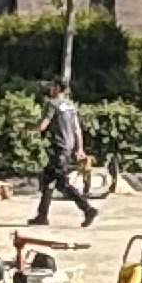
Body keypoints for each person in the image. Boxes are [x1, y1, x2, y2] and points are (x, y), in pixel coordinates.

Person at [31, 77, 97, 228]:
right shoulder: (70, 105)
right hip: (67, 148)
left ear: (57, 88)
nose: (49, 88)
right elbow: (77, 129)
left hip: (58, 148)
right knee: (47, 180)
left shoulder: (52, 104)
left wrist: (26, 127)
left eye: (51, 86)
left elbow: (42, 126)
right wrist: (79, 148)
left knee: (61, 184)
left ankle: (88, 209)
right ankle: (42, 215)